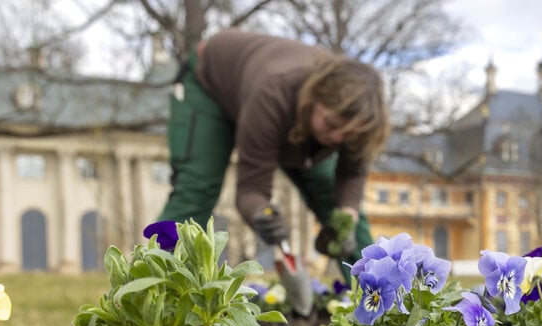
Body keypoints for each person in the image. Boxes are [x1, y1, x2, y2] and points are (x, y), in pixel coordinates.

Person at [158, 29, 390, 271]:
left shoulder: (356, 123)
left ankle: (374, 294)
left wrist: (347, 216)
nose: (336, 139)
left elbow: (352, 175)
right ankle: (157, 290)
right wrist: (262, 214)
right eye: (331, 125)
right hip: (209, 84)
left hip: (275, 105)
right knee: (197, 188)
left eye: (347, 135)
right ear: (313, 99)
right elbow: (251, 189)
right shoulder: (274, 93)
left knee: (335, 204)